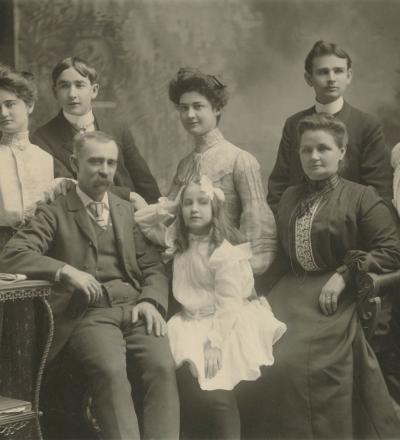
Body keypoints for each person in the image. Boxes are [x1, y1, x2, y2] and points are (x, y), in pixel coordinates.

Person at [0, 131, 179, 439]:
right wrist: (64, 270)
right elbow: (11, 254)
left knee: (163, 368)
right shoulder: (54, 212)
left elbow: (151, 265)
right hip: (88, 315)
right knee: (111, 373)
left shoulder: (124, 209)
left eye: (110, 163)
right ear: (75, 163)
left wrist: (150, 300)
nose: (104, 170)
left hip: (136, 307)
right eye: (95, 161)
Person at [255, 113, 400, 438]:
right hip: (288, 291)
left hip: (333, 297)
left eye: (323, 148)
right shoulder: (290, 196)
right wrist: (254, 293)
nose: (314, 156)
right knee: (254, 352)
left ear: (342, 152)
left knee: (294, 364)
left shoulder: (361, 196)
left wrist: (345, 273)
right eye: (307, 150)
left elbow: (392, 250)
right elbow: (281, 255)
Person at [135, 176, 286, 439]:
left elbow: (229, 303)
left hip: (221, 324)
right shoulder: (176, 241)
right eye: (188, 204)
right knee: (188, 389)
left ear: (215, 208)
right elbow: (140, 222)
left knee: (217, 392)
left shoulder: (223, 252)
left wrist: (214, 342)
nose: (194, 209)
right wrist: (171, 205)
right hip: (187, 321)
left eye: (203, 203)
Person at [166, 68, 277, 275]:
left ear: (216, 109)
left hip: (229, 271)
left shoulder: (240, 160)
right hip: (188, 270)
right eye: (184, 108)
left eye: (198, 106)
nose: (190, 115)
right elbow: (169, 219)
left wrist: (241, 272)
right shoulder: (185, 165)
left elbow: (258, 224)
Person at [267, 40, 393, 215]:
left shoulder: (367, 125)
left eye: (338, 71)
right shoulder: (294, 124)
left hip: (350, 227)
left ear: (349, 76)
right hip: (298, 222)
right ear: (309, 78)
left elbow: (379, 191)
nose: (332, 78)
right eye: (323, 72)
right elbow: (278, 186)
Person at [31, 56, 161, 204]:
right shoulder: (42, 139)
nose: (72, 94)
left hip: (131, 215)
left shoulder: (116, 127)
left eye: (79, 85)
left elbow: (143, 180)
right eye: (64, 86)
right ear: (55, 93)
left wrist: (156, 213)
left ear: (94, 90)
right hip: (81, 218)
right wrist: (128, 195)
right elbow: (76, 188)